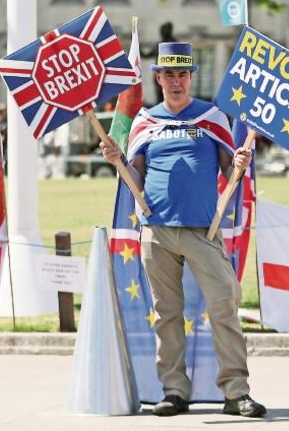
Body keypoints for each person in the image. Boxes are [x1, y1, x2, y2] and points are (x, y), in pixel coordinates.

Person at [100, 42, 265, 418]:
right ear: (158, 78)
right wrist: (118, 160)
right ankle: (174, 391)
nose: (176, 81)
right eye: (168, 74)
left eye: (182, 74)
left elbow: (229, 172)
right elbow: (135, 175)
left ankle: (236, 393)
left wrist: (240, 161)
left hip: (203, 233)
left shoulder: (212, 117)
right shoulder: (145, 121)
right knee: (166, 313)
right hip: (155, 231)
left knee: (224, 307)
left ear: (191, 77)